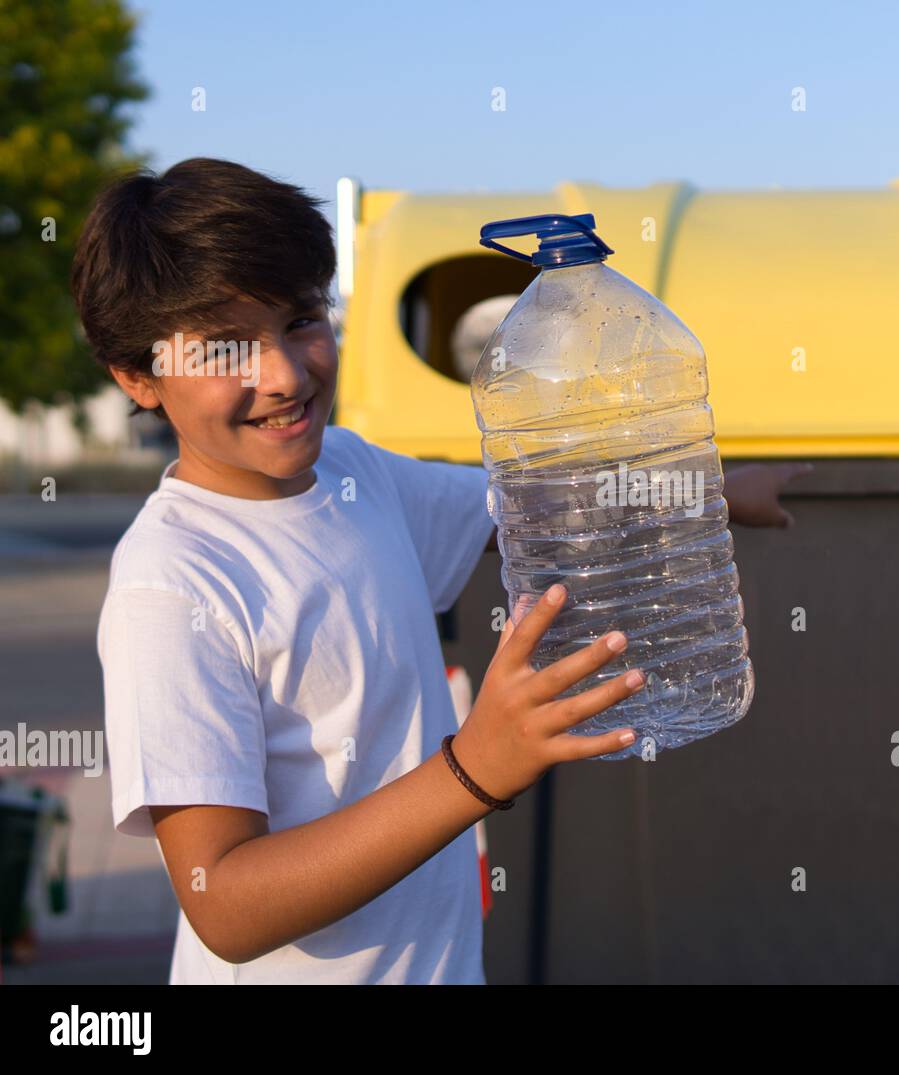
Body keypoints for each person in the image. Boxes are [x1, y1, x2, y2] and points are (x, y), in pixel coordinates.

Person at [71, 157, 808, 984]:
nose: (282, 374)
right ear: (138, 377)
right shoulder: (174, 585)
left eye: (301, 320)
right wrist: (473, 770)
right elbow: (226, 904)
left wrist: (706, 488)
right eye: (224, 349)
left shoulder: (356, 474)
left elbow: (534, 503)